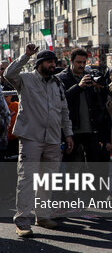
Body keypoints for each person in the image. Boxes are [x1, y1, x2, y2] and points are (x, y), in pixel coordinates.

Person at [4, 45, 74, 237]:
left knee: (48, 179)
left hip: (52, 138)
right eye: (49, 61)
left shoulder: (57, 84)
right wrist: (25, 55)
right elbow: (9, 74)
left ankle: (42, 216)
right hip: (31, 137)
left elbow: (64, 112)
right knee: (27, 180)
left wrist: (68, 134)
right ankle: (23, 221)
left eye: (54, 61)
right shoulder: (25, 80)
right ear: (39, 63)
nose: (53, 65)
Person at [58, 48, 105, 164]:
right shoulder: (61, 78)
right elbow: (61, 100)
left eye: (84, 62)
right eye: (78, 62)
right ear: (71, 61)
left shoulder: (89, 76)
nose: (81, 65)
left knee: (94, 163)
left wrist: (98, 88)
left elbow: (100, 102)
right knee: (70, 163)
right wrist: (79, 87)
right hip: (72, 130)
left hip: (90, 129)